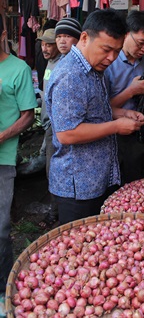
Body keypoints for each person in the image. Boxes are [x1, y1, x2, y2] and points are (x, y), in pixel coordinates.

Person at [46, 9, 144, 225]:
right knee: (78, 251)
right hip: (78, 187)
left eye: (117, 51)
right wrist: (116, 126)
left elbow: (94, 110)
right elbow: (67, 133)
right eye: (106, 49)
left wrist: (123, 113)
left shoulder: (93, 69)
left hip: (96, 179)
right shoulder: (71, 76)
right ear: (84, 38)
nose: (111, 58)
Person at [0, 16, 37, 315]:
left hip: (1, 159)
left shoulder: (18, 69)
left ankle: (2, 289)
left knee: (0, 228)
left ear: (2, 33)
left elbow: (28, 115)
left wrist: (1, 136)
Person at [104, 10, 144, 184]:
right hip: (110, 130)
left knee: (134, 178)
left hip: (136, 130)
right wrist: (131, 91)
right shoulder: (108, 61)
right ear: (127, 34)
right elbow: (101, 107)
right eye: (141, 43)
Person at [38, 19, 82, 227]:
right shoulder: (50, 62)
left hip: (62, 128)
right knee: (52, 171)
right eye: (58, 37)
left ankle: (56, 214)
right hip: (50, 126)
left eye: (65, 37)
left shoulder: (68, 67)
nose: (47, 47)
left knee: (58, 171)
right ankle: (56, 212)